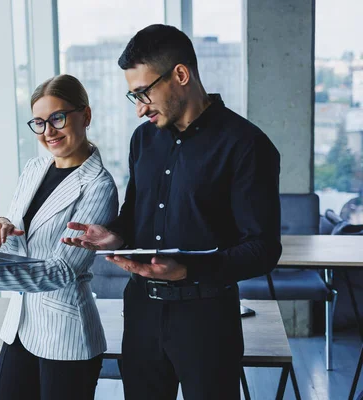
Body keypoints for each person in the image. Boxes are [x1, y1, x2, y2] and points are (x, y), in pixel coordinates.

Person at [62, 24, 281, 400]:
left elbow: (263, 249)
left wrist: (189, 269)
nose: (140, 108)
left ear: (180, 75)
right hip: (142, 313)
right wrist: (114, 235)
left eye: (144, 93)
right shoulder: (143, 139)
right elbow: (134, 216)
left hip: (207, 319)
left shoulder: (247, 145)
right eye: (133, 96)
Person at [0, 74, 118, 400]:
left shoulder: (98, 185)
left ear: (85, 116)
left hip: (66, 335)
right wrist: (0, 223)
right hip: (19, 327)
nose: (48, 132)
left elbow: (62, 271)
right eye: (39, 123)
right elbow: (20, 242)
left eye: (57, 118)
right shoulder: (34, 168)